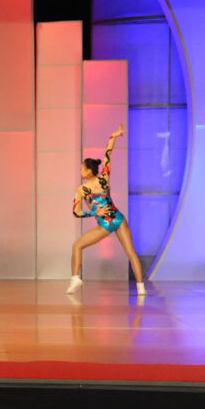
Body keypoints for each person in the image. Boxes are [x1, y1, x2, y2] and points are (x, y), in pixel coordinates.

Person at [67, 124, 145, 295]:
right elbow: (108, 154)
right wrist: (113, 137)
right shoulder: (105, 177)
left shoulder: (82, 189)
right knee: (131, 253)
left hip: (105, 224)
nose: (80, 171)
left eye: (82, 169)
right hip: (119, 218)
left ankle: (75, 278)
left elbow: (76, 212)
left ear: (88, 171)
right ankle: (141, 288)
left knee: (77, 246)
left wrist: (93, 213)